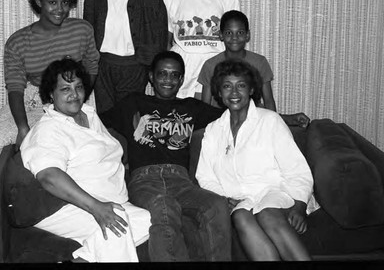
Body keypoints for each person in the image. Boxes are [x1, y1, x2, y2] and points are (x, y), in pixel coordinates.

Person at [0, 0, 100, 203]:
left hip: (66, 95)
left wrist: (79, 97)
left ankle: (30, 197)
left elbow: (92, 65)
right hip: (33, 97)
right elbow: (15, 86)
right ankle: (12, 202)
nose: (60, 9)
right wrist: (22, 127)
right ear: (39, 2)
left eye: (65, 2)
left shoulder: (82, 29)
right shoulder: (18, 40)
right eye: (52, 2)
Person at [99, 51, 231, 262]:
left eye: (174, 75)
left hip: (181, 182)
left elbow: (236, 113)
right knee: (163, 206)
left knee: (216, 205)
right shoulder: (134, 103)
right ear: (151, 76)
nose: (168, 80)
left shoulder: (191, 107)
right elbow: (96, 120)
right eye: (162, 74)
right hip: (144, 182)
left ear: (181, 80)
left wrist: (287, 118)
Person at [21, 58, 151, 263]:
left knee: (148, 221)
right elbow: (49, 176)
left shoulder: (89, 115)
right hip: (64, 205)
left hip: (109, 199)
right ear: (50, 94)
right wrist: (96, 207)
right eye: (65, 89)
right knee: (118, 225)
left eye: (78, 87)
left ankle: (85, 258)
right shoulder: (49, 129)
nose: (74, 94)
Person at [196, 59, 317, 261]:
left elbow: (296, 168)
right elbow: (205, 175)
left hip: (278, 191)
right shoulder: (213, 130)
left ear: (251, 89)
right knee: (240, 216)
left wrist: (299, 205)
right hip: (243, 200)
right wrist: (223, 199)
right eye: (227, 86)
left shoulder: (270, 120)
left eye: (241, 85)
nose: (234, 92)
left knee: (268, 212)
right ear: (219, 92)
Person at [83, 0, 168, 113]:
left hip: (135, 67)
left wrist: (152, 68)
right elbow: (87, 42)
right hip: (102, 69)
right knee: (106, 120)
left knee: (128, 119)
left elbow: (160, 35)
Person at [198, 10, 310, 128]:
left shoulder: (259, 62)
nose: (235, 37)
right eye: (229, 33)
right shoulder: (210, 65)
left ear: (247, 35)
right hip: (221, 121)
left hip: (254, 120)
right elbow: (205, 106)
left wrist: (274, 125)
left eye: (240, 32)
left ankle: (286, 120)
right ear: (221, 35)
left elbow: (268, 100)